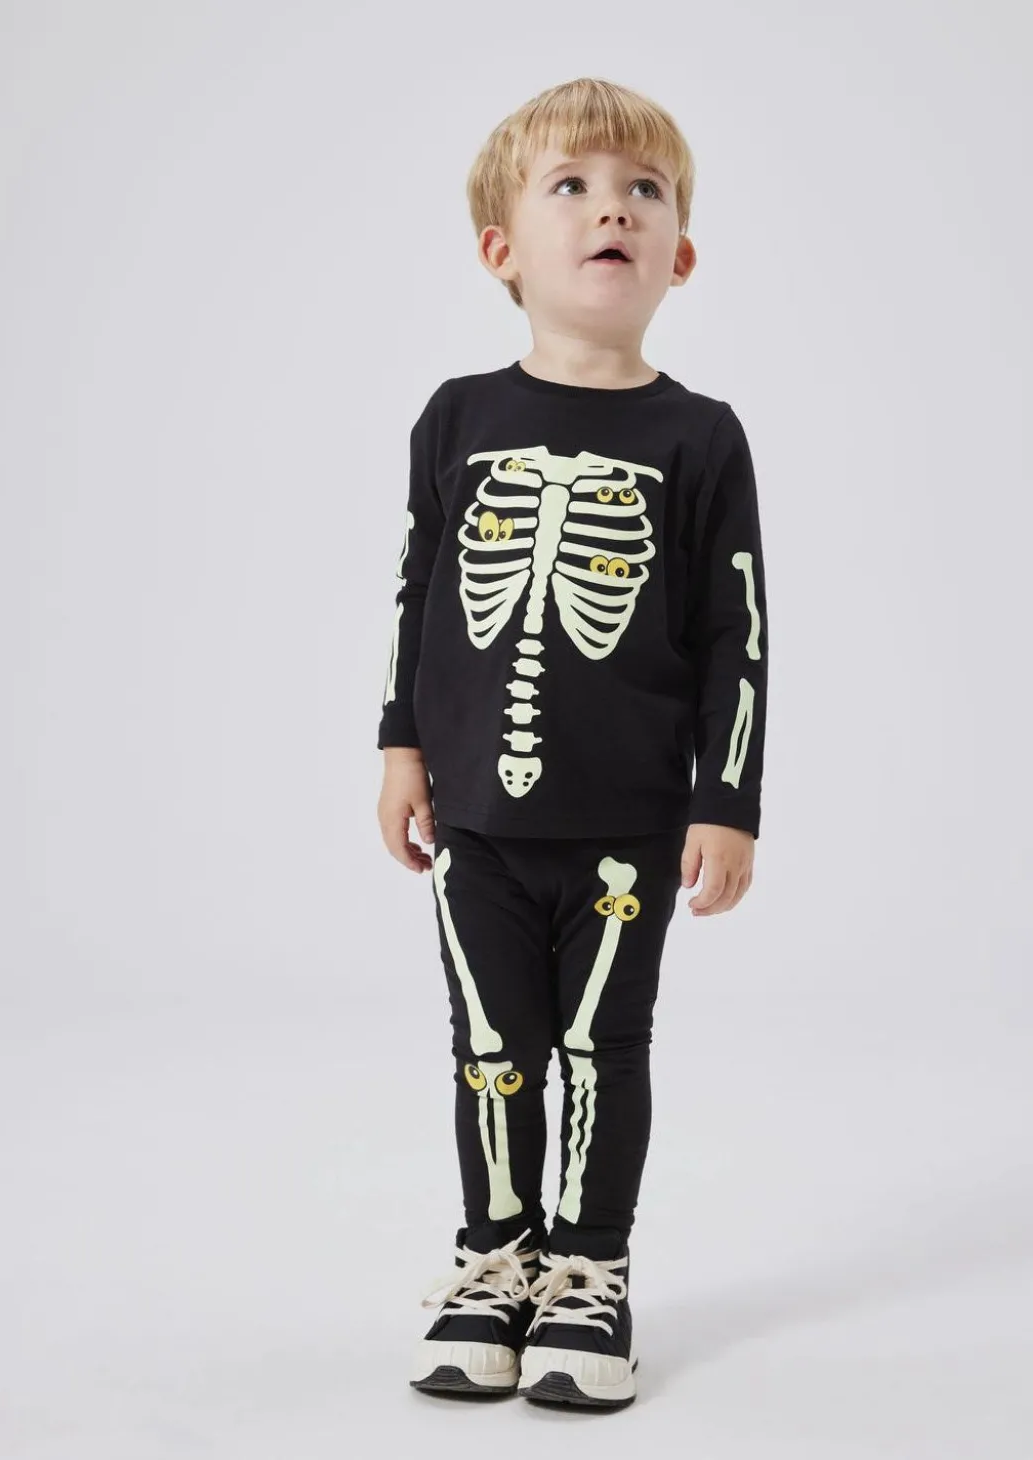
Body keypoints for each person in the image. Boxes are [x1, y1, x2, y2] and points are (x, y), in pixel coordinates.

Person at [376, 77, 769, 1410]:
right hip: (476, 823)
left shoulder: (699, 437)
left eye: (644, 191)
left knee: (603, 1047)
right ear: (502, 249)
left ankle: (591, 1270)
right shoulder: (456, 418)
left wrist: (728, 798)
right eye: (575, 186)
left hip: (627, 825)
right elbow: (420, 593)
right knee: (491, 1046)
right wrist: (399, 746)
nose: (615, 209)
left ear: (680, 254)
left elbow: (737, 631)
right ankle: (496, 1257)